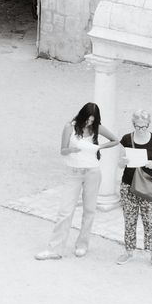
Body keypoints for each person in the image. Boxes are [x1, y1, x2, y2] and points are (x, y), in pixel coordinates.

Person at [35, 102, 120, 260]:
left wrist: (99, 147)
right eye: (87, 119)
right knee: (65, 212)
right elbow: (62, 150)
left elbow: (116, 140)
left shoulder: (96, 128)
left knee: (89, 210)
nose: (89, 123)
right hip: (73, 172)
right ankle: (55, 249)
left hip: (93, 172)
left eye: (93, 120)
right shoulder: (70, 127)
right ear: (82, 116)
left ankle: (82, 244)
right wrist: (72, 150)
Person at [117, 108, 152, 268]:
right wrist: (123, 161)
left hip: (148, 185)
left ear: (148, 125)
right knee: (129, 220)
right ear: (133, 124)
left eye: (144, 126)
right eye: (138, 126)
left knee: (149, 221)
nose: (141, 129)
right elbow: (119, 163)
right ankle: (129, 251)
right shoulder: (126, 139)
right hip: (128, 184)